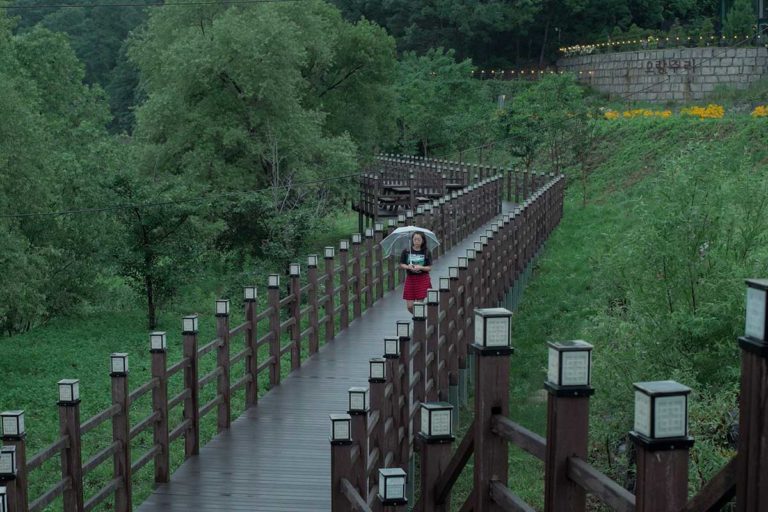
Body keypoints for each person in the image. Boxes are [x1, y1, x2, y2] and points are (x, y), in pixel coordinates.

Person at [400, 231, 433, 314]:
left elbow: (429, 268)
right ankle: (419, 317)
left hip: (422, 279)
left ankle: (419, 322)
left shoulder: (426, 252)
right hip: (410, 279)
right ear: (412, 240)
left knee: (418, 304)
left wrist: (420, 267)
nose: (417, 241)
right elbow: (401, 264)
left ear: (423, 240)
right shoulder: (407, 251)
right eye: (415, 239)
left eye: (419, 239)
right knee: (410, 306)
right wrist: (408, 267)